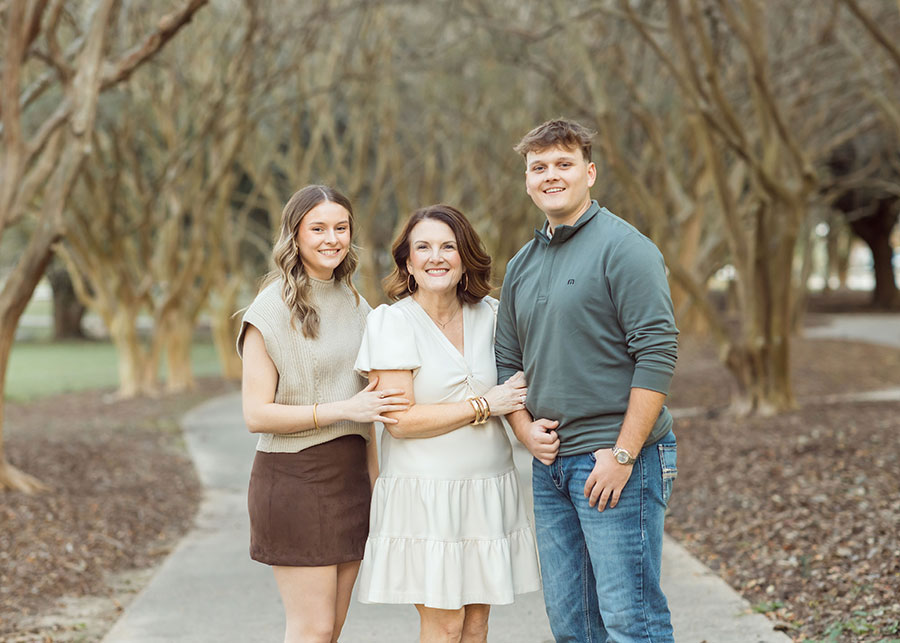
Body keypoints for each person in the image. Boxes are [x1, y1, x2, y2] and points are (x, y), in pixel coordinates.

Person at [495, 119, 679, 643]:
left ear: (589, 172)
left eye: (563, 164)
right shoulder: (522, 264)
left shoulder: (626, 248)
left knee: (630, 621)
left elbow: (657, 355)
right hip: (552, 468)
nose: (550, 175)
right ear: (527, 180)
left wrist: (622, 454)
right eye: (538, 167)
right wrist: (524, 431)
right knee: (574, 625)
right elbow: (507, 358)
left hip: (618, 460)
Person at [354, 204, 542, 643]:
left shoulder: (494, 315)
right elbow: (398, 420)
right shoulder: (391, 323)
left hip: (488, 490)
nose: (436, 257)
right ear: (407, 262)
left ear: (465, 258)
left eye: (448, 247)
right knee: (444, 626)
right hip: (425, 496)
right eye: (423, 247)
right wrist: (483, 405)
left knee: (476, 627)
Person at [237, 185, 409, 643]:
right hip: (294, 477)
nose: (331, 238)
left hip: (351, 480)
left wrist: (377, 487)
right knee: (311, 630)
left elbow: (370, 413)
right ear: (294, 236)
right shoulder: (270, 309)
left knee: (331, 630)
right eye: (318, 228)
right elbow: (256, 414)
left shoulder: (357, 305)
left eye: (341, 227)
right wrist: (344, 408)